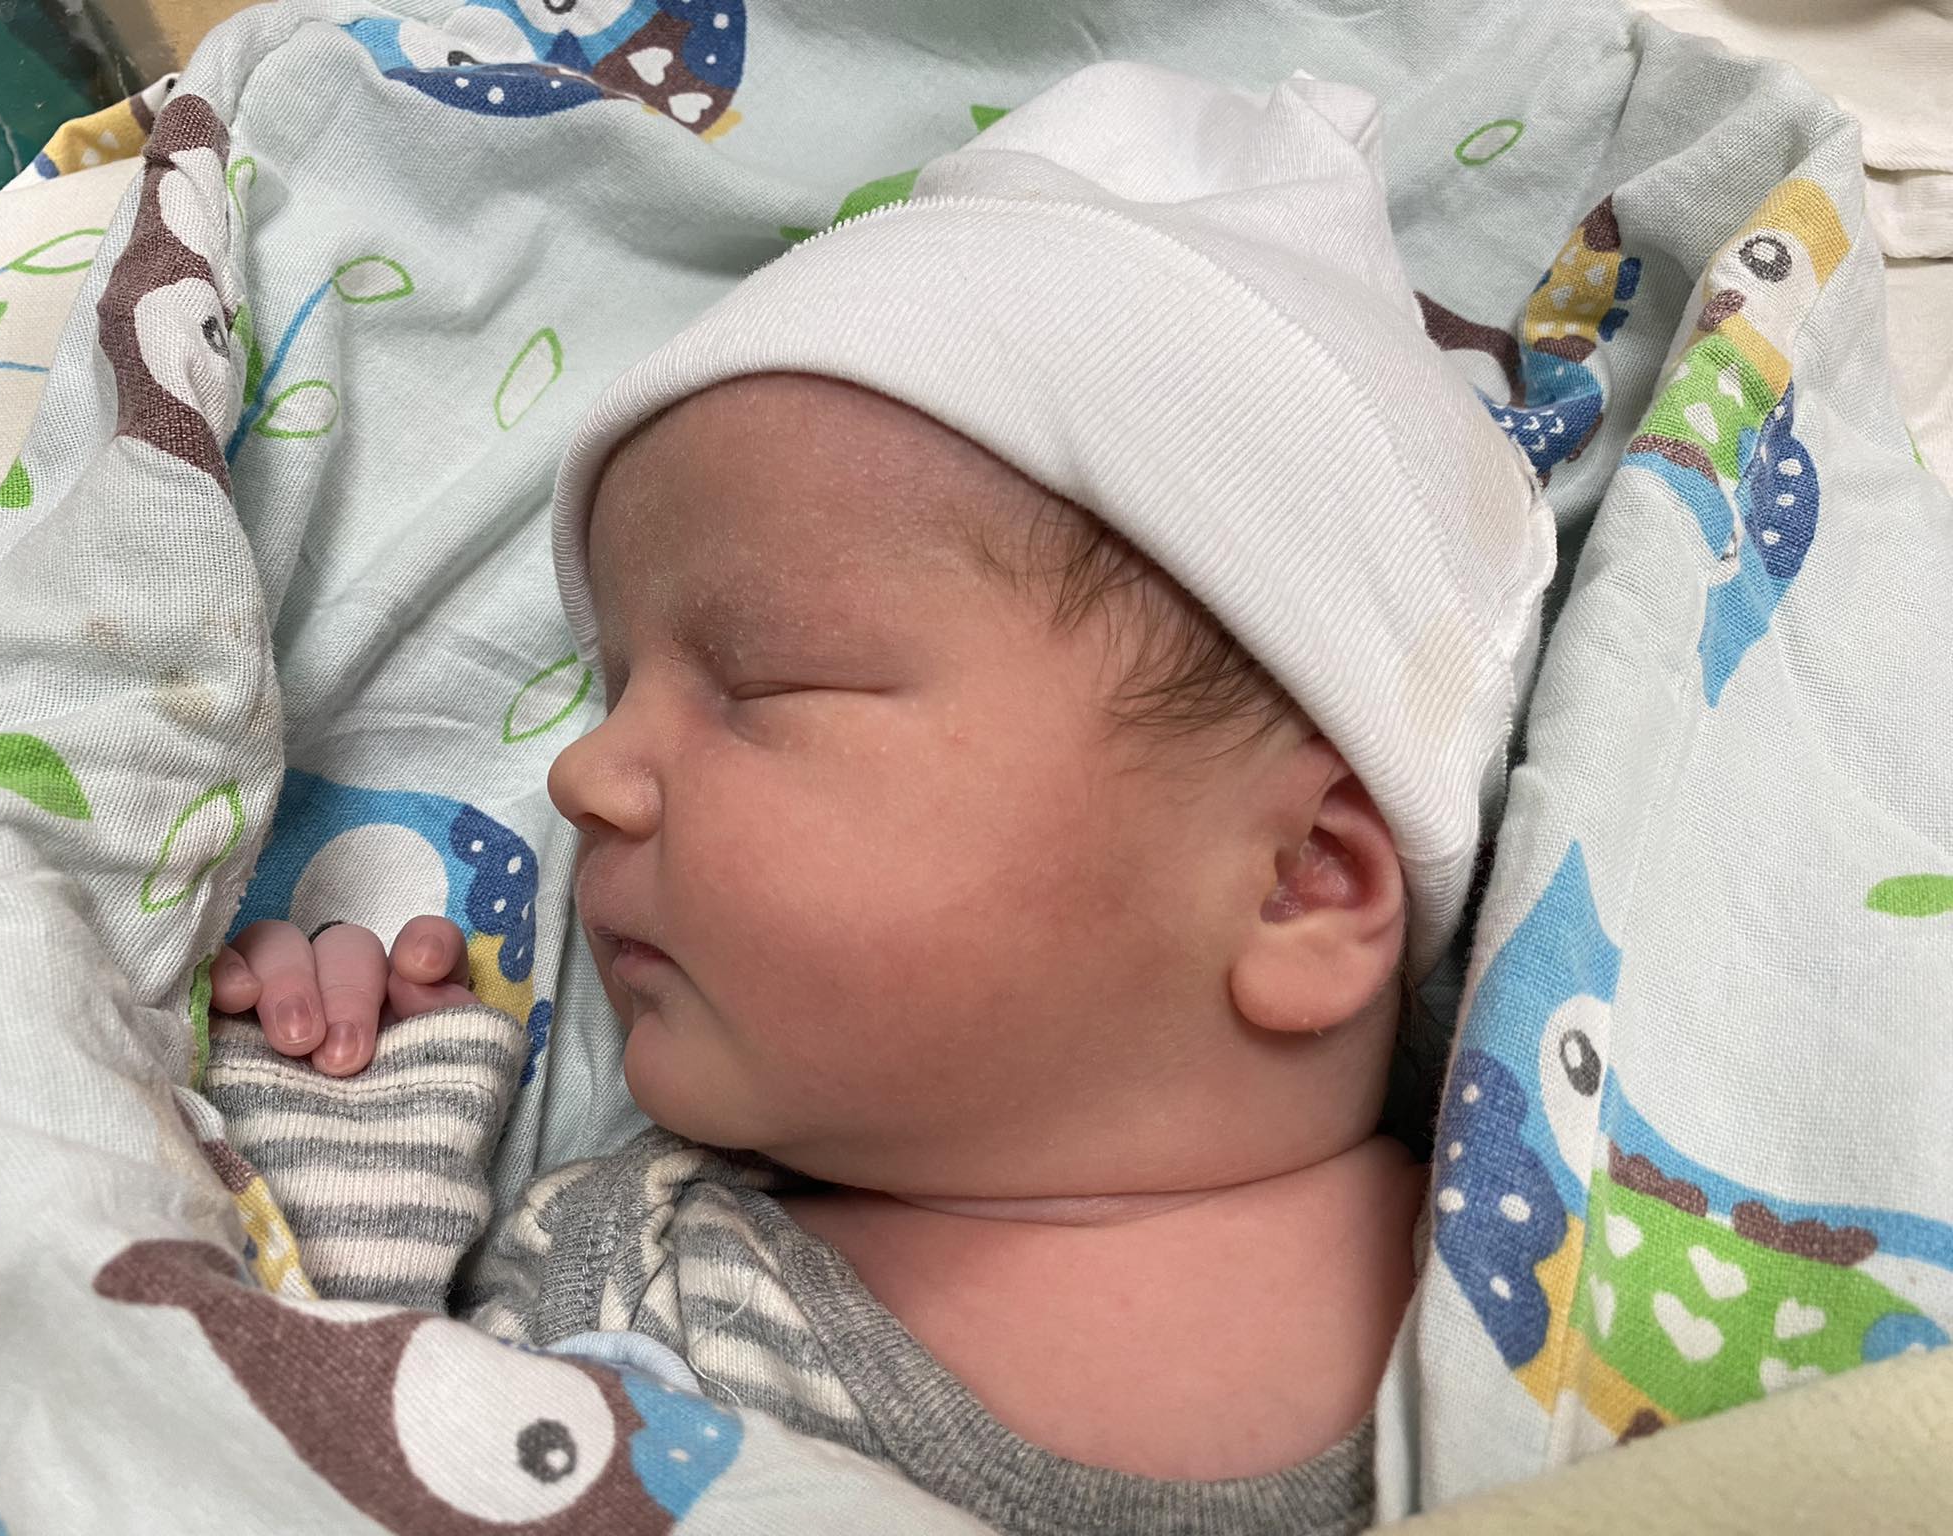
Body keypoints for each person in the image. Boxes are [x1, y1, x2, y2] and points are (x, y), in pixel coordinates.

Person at [203, 62, 1554, 1536]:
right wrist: (336, 1146)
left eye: (761, 683)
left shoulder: (1582, 1284)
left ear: (1299, 882)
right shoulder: (625, 1288)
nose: (580, 777)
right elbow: (269, 1458)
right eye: (612, 691)